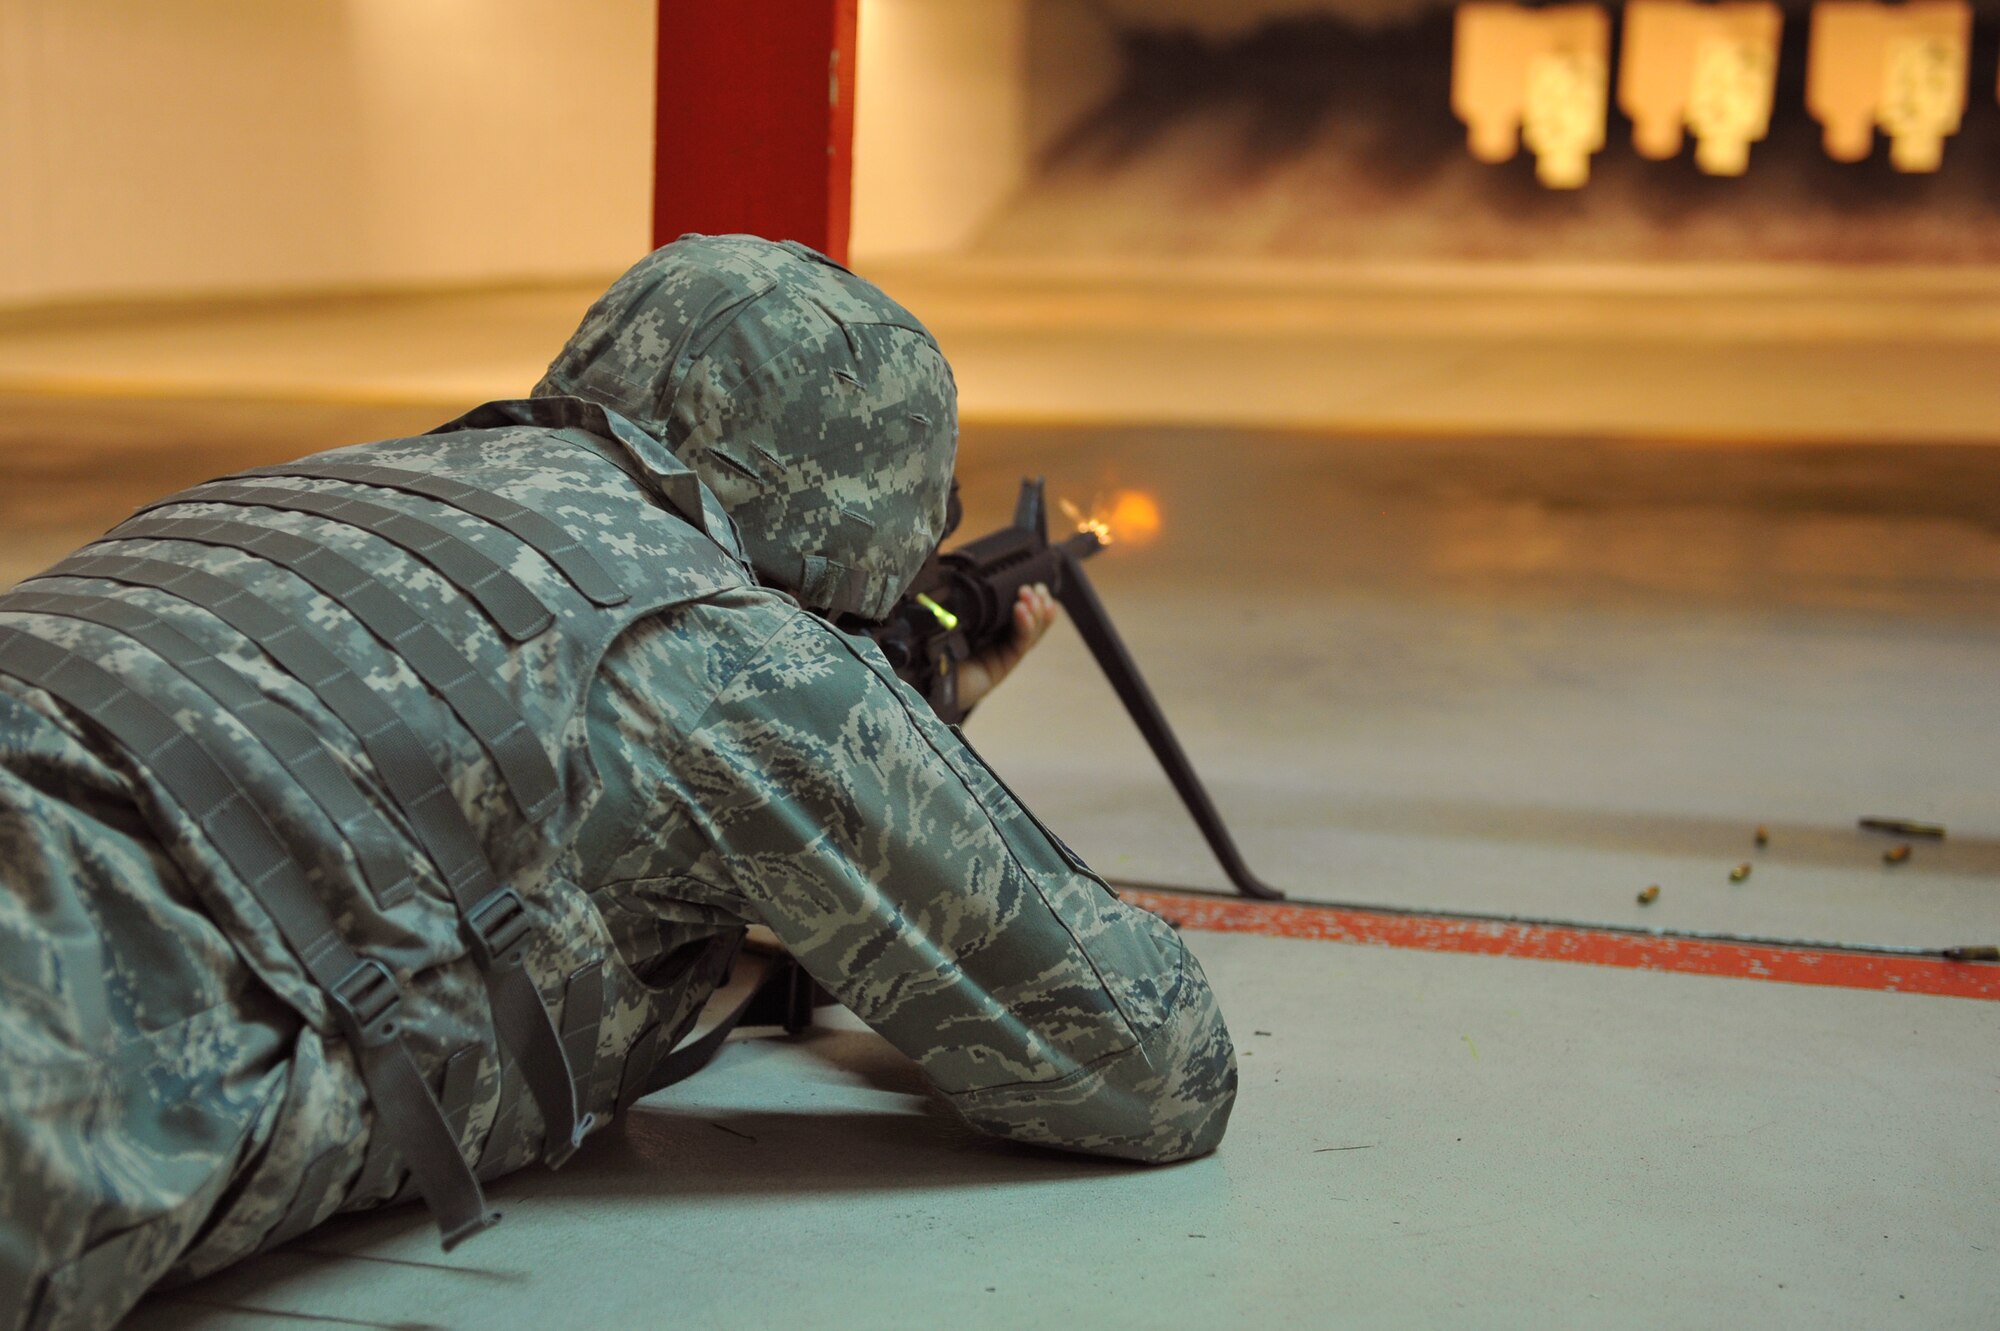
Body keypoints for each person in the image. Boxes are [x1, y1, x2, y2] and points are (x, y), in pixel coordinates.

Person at [0, 235, 1236, 1331]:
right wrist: (897, 743)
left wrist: (901, 711)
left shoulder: (327, 481)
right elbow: (1145, 1063)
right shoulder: (722, 647)